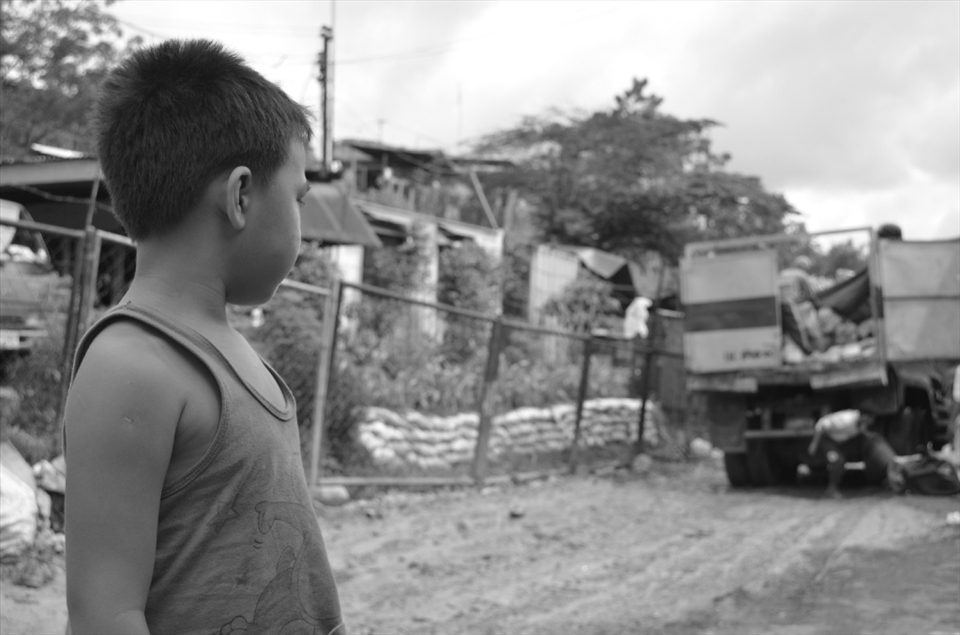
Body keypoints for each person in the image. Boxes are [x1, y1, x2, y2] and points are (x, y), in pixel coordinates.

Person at [63, 40, 345, 634]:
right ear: (241, 196)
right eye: (296, 198)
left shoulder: (226, 344)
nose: (303, 225)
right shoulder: (131, 364)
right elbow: (104, 616)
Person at [807, 409, 898, 498]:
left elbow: (861, 431)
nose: (871, 421)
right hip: (826, 440)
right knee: (837, 461)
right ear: (863, 416)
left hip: (840, 441)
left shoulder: (861, 423)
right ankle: (831, 490)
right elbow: (821, 424)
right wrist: (814, 444)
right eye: (870, 418)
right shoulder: (845, 420)